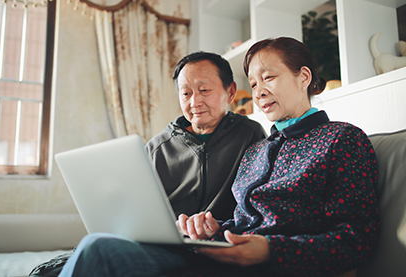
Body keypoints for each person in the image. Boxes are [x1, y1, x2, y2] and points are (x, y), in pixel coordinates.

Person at [58, 37, 379, 277]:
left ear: (304, 77)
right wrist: (208, 226)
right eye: (254, 84)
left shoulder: (342, 139)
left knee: (99, 251)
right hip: (216, 254)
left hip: (267, 264)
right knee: (97, 246)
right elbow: (244, 220)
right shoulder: (258, 150)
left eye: (269, 78)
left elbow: (357, 240)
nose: (259, 91)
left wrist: (271, 251)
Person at [145, 51, 266, 221]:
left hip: (224, 238)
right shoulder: (157, 148)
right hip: (170, 241)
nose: (195, 102)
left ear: (230, 92)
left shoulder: (249, 134)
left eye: (204, 90)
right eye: (186, 93)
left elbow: (260, 202)